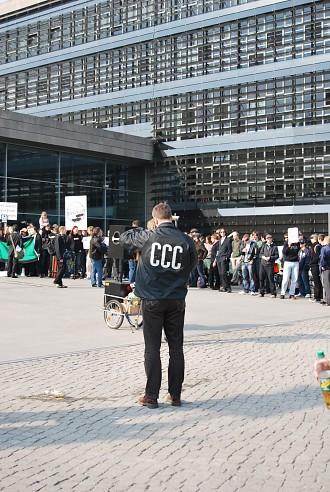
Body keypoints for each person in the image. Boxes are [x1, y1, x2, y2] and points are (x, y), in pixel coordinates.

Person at [119, 202, 198, 409]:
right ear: (171, 217)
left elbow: (125, 238)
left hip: (152, 299)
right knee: (176, 348)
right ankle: (175, 395)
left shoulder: (149, 236)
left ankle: (151, 396)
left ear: (155, 220)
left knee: (152, 348)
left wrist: (143, 229)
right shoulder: (186, 240)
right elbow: (192, 264)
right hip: (176, 299)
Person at [258, 234, 279, 298]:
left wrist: (270, 258)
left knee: (270, 279)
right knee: (261, 278)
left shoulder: (274, 247)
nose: (269, 240)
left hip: (270, 264)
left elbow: (276, 256)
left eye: (270, 238)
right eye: (267, 238)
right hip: (263, 264)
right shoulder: (264, 246)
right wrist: (263, 257)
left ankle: (273, 293)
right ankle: (261, 292)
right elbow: (260, 254)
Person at [280, 235, 300, 299]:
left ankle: (292, 293)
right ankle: (283, 293)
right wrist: (289, 246)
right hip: (288, 261)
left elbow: (300, 249)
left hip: (295, 261)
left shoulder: (297, 242)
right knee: (285, 278)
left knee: (294, 278)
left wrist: (299, 241)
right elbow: (284, 252)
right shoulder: (287, 242)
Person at [213, 228, 232, 292]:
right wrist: (215, 260)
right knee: (220, 273)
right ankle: (223, 286)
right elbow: (218, 250)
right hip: (219, 258)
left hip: (224, 257)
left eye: (223, 232)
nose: (222, 233)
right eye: (221, 232)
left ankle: (228, 287)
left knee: (224, 273)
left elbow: (229, 249)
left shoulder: (228, 239)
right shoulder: (219, 240)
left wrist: (227, 257)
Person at [309, 233, 323, 303]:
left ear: (315, 238)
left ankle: (317, 296)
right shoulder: (314, 246)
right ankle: (319, 295)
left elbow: (317, 256)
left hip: (315, 265)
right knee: (317, 281)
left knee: (316, 281)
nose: (310, 239)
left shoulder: (316, 246)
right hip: (314, 265)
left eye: (311, 238)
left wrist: (311, 263)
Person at [319, 235, 330, 306]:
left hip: (327, 268)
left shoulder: (324, 248)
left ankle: (328, 300)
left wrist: (322, 265)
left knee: (327, 284)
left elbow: (323, 258)